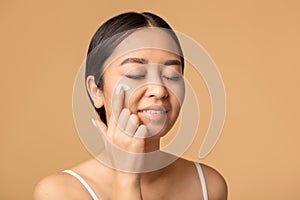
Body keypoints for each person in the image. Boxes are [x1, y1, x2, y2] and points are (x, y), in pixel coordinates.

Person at [34, 12, 227, 200]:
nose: (159, 90)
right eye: (136, 74)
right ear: (96, 91)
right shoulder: (59, 192)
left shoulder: (208, 185)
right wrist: (126, 177)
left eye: (172, 76)